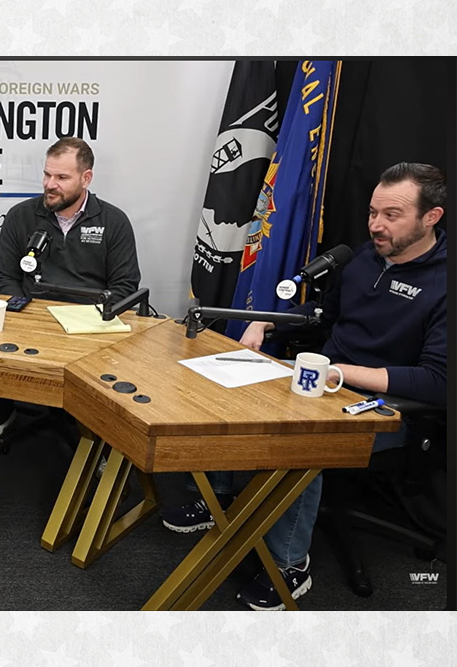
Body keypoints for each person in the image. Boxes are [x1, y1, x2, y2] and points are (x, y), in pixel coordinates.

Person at [161, 162, 447, 610]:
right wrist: (266, 324)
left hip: (391, 408)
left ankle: (289, 566)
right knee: (229, 379)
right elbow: (321, 319)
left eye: (392, 215)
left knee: (301, 437)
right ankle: (218, 499)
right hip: (324, 376)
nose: (376, 225)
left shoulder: (443, 284)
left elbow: (438, 382)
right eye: (373, 212)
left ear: (431, 217)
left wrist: (339, 372)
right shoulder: (363, 259)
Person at [0, 137, 142, 459]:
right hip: (30, 318)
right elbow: (4, 277)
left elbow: (126, 285)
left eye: (61, 178)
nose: (50, 184)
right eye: (47, 175)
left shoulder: (114, 221)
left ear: (86, 178)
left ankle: (101, 440)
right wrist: (29, 313)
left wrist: (87, 320)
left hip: (90, 327)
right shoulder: (21, 216)